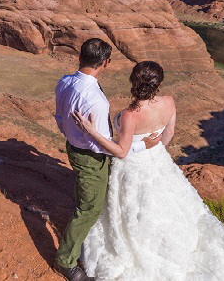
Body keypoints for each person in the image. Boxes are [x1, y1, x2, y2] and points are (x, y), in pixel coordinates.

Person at [72, 61, 224, 281]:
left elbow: (121, 151)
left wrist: (91, 132)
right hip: (159, 161)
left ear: (133, 81)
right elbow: (169, 133)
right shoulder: (168, 102)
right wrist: (155, 153)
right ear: (158, 84)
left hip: (132, 168)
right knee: (167, 209)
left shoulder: (130, 115)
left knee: (135, 214)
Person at [53, 39, 161, 281]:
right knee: (89, 209)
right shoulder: (96, 101)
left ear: (80, 57)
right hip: (91, 158)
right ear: (105, 63)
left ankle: (80, 239)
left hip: (74, 148)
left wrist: (72, 134)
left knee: (85, 198)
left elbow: (59, 118)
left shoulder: (65, 81)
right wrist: (143, 145)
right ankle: (65, 261)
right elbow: (105, 146)